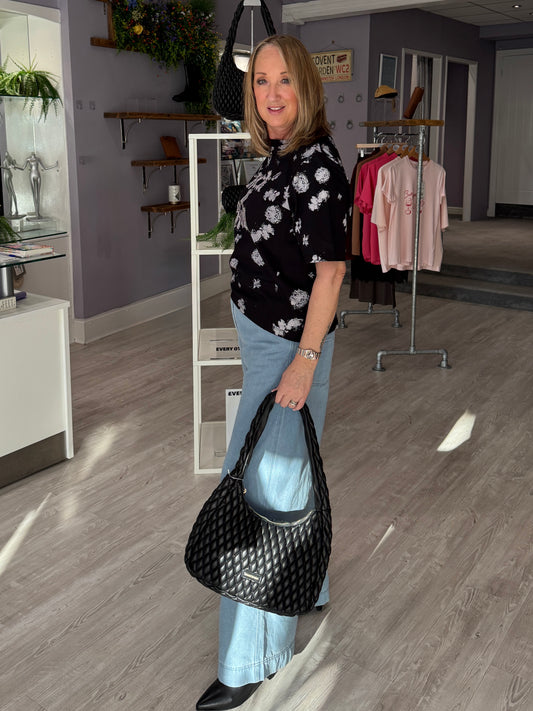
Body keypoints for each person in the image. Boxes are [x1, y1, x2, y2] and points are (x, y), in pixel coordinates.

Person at [196, 34, 350, 711]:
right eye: (260, 81)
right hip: (270, 342)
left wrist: (303, 363)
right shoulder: (281, 155)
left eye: (283, 79)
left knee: (255, 497)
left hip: (287, 349)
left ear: (305, 85)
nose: (271, 93)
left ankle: (247, 661)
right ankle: (305, 585)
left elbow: (331, 273)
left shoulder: (317, 166)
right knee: (284, 480)